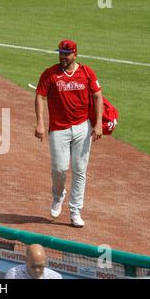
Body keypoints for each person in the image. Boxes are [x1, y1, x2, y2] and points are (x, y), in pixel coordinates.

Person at [35, 40, 103, 227]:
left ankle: (75, 211)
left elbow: (98, 96)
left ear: (75, 55)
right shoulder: (50, 74)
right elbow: (40, 95)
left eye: (66, 54)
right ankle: (58, 196)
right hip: (58, 128)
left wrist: (98, 124)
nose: (63, 57)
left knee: (80, 170)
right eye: (61, 53)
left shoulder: (87, 73)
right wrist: (40, 123)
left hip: (83, 127)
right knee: (59, 168)